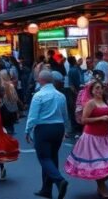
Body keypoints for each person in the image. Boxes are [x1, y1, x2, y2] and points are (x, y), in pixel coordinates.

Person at [26, 69, 70, 199]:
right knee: (53, 157)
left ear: (40, 80)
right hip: (58, 127)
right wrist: (65, 129)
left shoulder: (38, 96)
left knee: (44, 158)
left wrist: (27, 130)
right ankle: (46, 189)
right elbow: (65, 115)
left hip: (43, 128)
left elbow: (33, 116)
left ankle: (59, 180)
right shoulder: (61, 95)